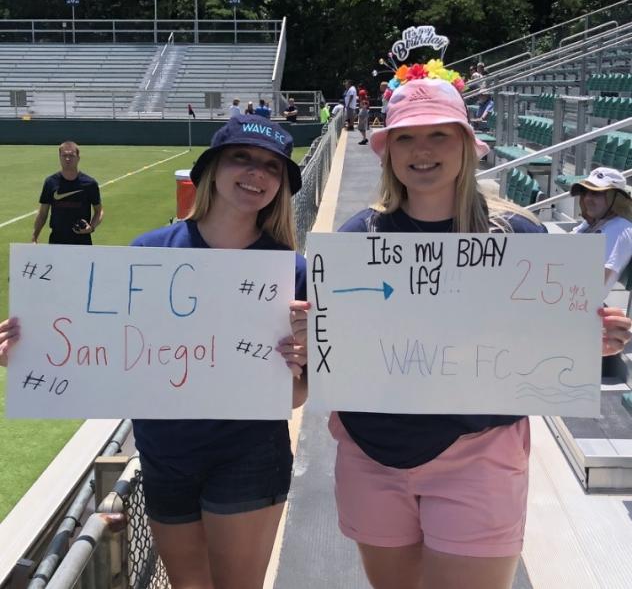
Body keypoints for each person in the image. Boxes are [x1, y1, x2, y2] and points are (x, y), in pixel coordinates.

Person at [289, 68, 631, 589]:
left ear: (466, 144)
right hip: (372, 453)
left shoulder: (518, 235)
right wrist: (309, 334)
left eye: (438, 135)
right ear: (388, 150)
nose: (421, 150)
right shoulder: (359, 234)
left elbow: (557, 343)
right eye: (405, 136)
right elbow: (333, 349)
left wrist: (596, 343)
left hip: (480, 453)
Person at [2, 115, 308, 589]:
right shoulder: (148, 251)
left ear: (281, 185)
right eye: (241, 158)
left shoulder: (289, 270)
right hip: (165, 454)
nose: (256, 173)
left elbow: (294, 395)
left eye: (272, 166)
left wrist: (298, 361)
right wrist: (28, 351)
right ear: (211, 169)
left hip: (247, 454)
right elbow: (107, 350)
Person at [571, 167, 632, 295]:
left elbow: (598, 286)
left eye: (596, 193)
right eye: (585, 192)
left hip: (578, 303)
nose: (587, 198)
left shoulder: (619, 229)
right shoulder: (594, 221)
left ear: (615, 198)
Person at [32, 140, 103, 245]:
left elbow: (99, 211)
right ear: (59, 157)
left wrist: (91, 227)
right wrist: (34, 237)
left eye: (71, 155)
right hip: (57, 241)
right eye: (64, 155)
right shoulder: (50, 182)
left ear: (78, 158)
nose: (67, 159)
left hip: (82, 241)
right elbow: (43, 213)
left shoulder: (90, 184)